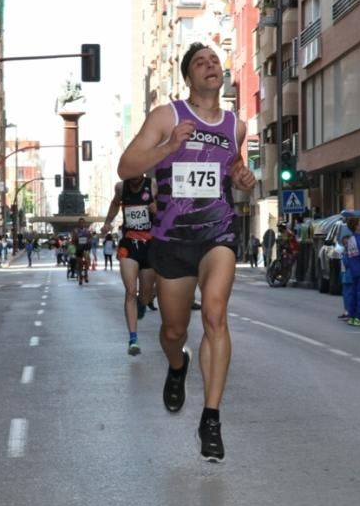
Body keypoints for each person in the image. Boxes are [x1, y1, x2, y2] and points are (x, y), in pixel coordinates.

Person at [116, 42, 256, 463]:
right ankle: (177, 367)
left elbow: (232, 170)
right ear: (189, 77)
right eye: (201, 62)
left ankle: (211, 418)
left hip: (218, 233)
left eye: (215, 60)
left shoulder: (237, 126)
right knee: (174, 331)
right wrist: (169, 147)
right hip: (172, 239)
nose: (211, 65)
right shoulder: (167, 116)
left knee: (215, 315)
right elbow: (127, 167)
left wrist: (242, 176)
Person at [101, 176, 158, 356]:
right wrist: (107, 222)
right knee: (131, 291)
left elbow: (167, 207)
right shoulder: (120, 187)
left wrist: (157, 210)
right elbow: (114, 204)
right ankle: (133, 338)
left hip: (150, 244)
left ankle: (144, 302)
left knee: (147, 292)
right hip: (129, 245)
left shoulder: (153, 185)